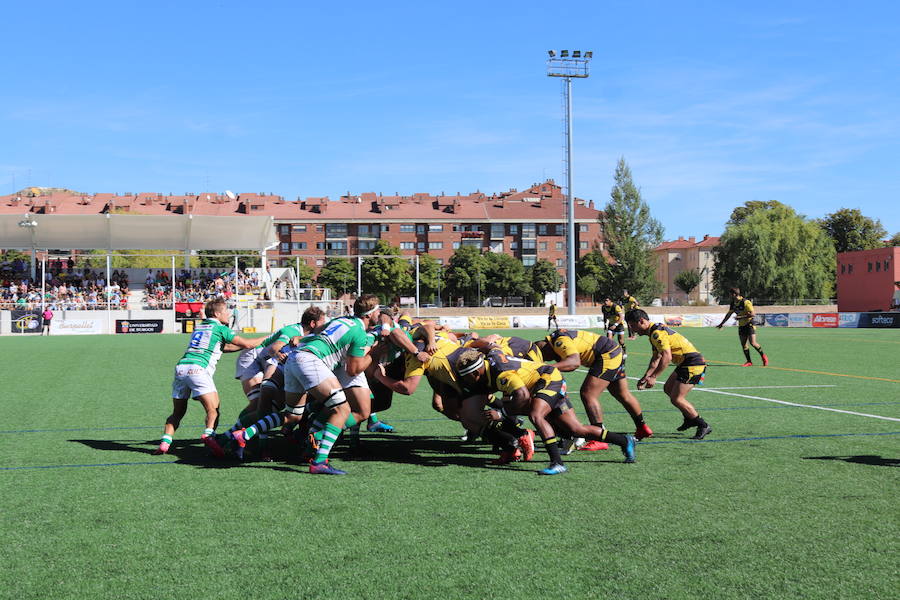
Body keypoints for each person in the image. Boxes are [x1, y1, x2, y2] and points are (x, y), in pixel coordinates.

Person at [454, 349, 636, 475]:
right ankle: (623, 440)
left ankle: (557, 463)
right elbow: (495, 350)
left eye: (467, 378)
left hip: (549, 380)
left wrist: (501, 413)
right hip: (545, 380)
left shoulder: (502, 375)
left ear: (476, 373)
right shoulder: (490, 361)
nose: (467, 382)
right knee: (575, 429)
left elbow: (522, 396)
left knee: (536, 414)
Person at [277, 294, 381, 474]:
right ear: (369, 314)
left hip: (297, 358)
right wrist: (375, 353)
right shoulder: (359, 331)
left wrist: (302, 340)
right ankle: (319, 458)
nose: (380, 313)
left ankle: (242, 434)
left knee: (293, 415)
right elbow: (353, 369)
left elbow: (320, 331)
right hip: (314, 362)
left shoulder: (343, 319)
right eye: (378, 310)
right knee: (344, 410)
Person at [153, 299, 267, 455]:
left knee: (177, 412)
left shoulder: (201, 326)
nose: (229, 314)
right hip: (198, 369)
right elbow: (247, 344)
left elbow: (221, 348)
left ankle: (165, 443)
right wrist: (268, 339)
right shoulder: (220, 328)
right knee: (213, 410)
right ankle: (209, 437)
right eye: (226, 311)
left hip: (181, 368)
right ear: (217, 313)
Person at [535, 329, 652, 446]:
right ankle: (642, 427)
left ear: (544, 349)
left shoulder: (559, 341)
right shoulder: (557, 339)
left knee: (588, 394)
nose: (547, 360)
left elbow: (574, 362)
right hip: (613, 351)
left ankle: (598, 438)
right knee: (622, 393)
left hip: (607, 354)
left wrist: (547, 368)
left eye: (544, 358)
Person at [626, 309, 712, 440]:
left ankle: (703, 425)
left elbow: (666, 356)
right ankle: (689, 419)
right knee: (668, 388)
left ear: (641, 321)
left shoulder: (657, 333)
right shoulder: (653, 333)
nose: (632, 329)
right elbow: (656, 358)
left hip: (692, 363)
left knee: (677, 399)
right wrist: (646, 376)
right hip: (685, 363)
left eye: (632, 325)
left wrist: (654, 377)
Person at [717, 287, 769, 367]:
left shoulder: (746, 302)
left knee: (753, 343)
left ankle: (763, 356)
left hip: (749, 324)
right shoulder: (733, 303)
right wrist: (721, 323)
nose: (729, 296)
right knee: (744, 344)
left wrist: (740, 317)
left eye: (730, 294)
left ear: (734, 294)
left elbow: (752, 314)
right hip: (741, 326)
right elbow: (729, 314)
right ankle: (749, 362)